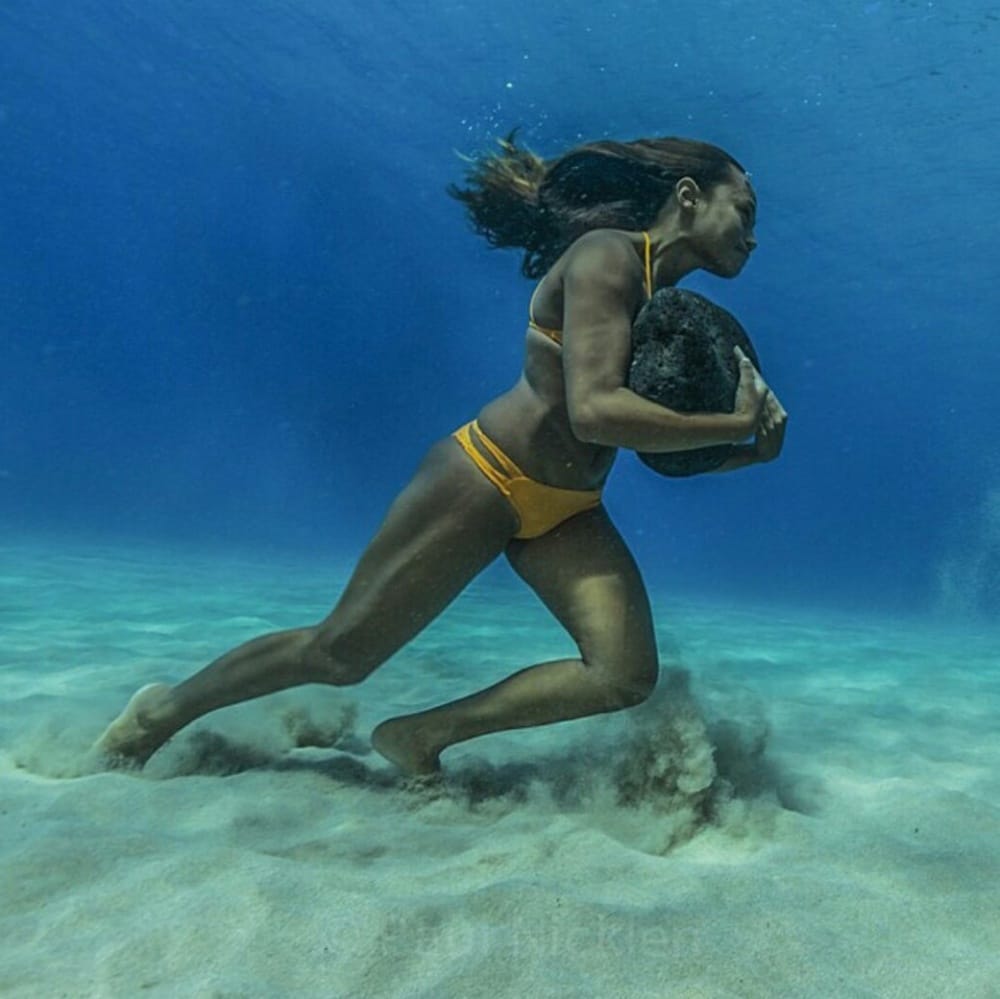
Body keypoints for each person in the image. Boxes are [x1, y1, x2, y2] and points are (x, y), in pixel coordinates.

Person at [95, 132, 788, 776]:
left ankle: (421, 735)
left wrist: (748, 450)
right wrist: (730, 423)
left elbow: (648, 442)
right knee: (339, 654)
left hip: (571, 510)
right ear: (690, 197)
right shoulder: (608, 257)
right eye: (745, 212)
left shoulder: (662, 301)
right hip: (485, 477)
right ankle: (164, 709)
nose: (755, 238)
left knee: (624, 673)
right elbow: (596, 409)